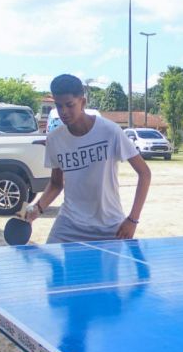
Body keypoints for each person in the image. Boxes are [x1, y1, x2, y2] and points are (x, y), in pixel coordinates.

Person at [24, 74, 152, 243]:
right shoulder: (55, 139)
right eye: (59, 106)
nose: (64, 112)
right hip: (69, 224)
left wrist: (133, 219)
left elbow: (144, 173)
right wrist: (37, 209)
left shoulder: (110, 131)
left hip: (109, 225)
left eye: (70, 105)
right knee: (51, 261)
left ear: (82, 102)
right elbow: (56, 183)